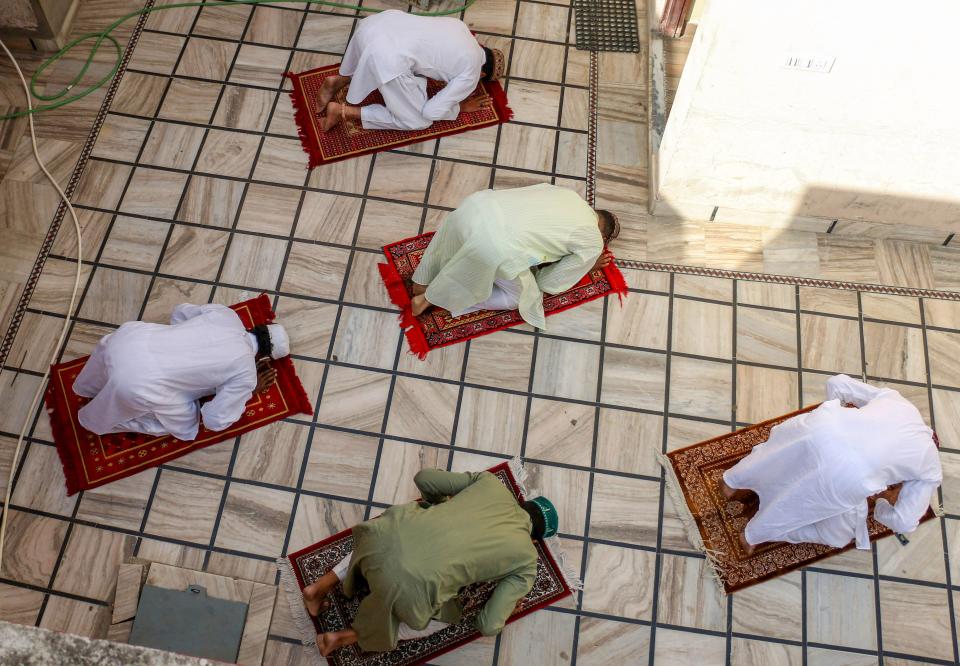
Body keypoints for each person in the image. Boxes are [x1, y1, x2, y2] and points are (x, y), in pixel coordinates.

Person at [301, 469, 559, 657]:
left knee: (392, 533)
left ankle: (318, 588)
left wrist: (437, 507)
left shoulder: (490, 483)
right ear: (536, 540)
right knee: (446, 616)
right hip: (406, 588)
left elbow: (424, 478)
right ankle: (341, 638)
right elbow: (488, 624)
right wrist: (507, 611)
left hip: (377, 540)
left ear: (522, 502)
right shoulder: (527, 560)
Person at [720, 374, 942, 553]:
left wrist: (839, 412)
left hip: (821, 426)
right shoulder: (931, 466)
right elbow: (904, 521)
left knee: (774, 456)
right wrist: (881, 507)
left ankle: (731, 481)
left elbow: (837, 382)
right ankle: (751, 536)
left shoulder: (901, 403)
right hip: (849, 476)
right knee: (804, 507)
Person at [409, 183, 620, 328]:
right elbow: (547, 282)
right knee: (521, 297)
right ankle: (429, 298)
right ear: (602, 235)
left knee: (453, 243)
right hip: (496, 245)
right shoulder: (592, 240)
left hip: (476, 205)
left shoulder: (568, 194)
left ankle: (423, 281)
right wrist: (587, 265)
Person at [73, 303, 289, 441]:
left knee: (120, 368)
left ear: (255, 327)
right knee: (187, 427)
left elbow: (178, 312)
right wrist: (251, 391)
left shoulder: (227, 315)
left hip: (128, 339)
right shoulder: (245, 374)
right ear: (263, 358)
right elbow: (215, 420)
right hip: (138, 383)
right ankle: (98, 419)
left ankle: (89, 388)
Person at [316, 10, 505, 132]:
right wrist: (459, 107)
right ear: (482, 74)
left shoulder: (460, 27)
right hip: (384, 57)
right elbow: (431, 111)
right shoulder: (472, 73)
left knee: (416, 61)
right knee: (418, 121)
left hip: (374, 24)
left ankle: (340, 80)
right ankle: (342, 111)